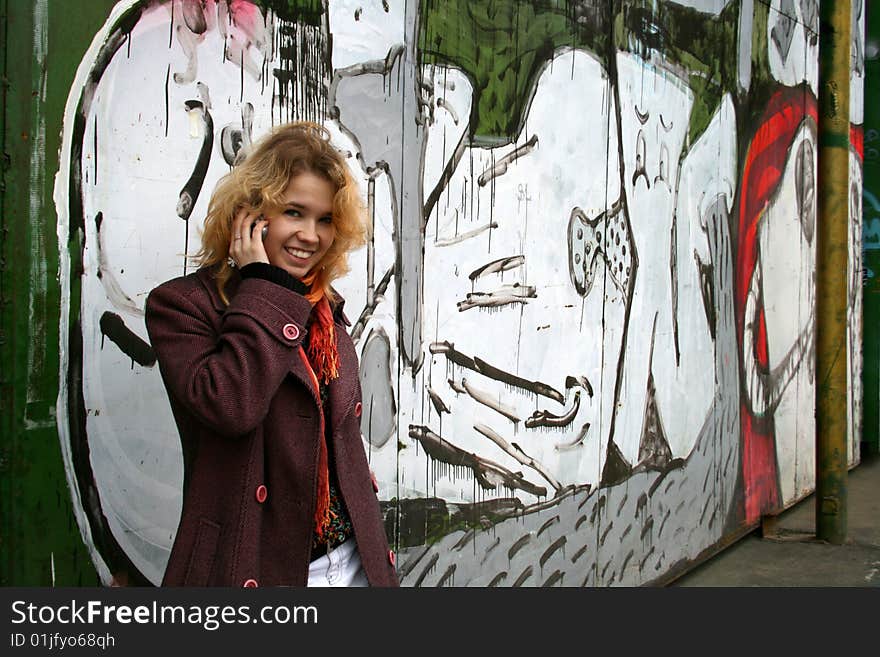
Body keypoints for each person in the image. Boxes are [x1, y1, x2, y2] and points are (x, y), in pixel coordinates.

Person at [145, 121, 399, 587]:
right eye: (294, 213)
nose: (311, 235)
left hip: (353, 562)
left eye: (325, 219)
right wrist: (263, 288)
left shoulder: (323, 309)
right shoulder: (182, 307)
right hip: (260, 570)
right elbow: (231, 406)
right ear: (252, 214)